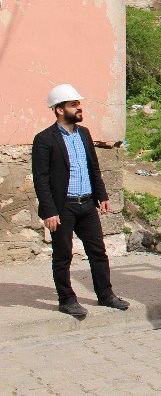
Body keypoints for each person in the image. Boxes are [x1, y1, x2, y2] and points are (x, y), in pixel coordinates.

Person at [32, 84, 129, 318]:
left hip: (86, 204)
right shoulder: (45, 139)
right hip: (63, 207)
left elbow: (93, 167)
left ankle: (105, 295)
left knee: (98, 252)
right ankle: (67, 299)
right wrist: (49, 211)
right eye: (73, 104)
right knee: (63, 255)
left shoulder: (84, 133)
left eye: (78, 104)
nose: (79, 107)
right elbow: (41, 178)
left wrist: (102, 195)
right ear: (59, 109)